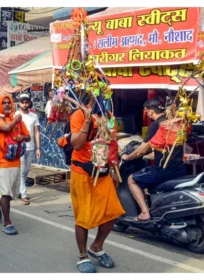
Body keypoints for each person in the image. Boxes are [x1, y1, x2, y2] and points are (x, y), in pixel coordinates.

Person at [69, 96, 125, 273]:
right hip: (82, 172)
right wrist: (87, 119)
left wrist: (114, 170)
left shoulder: (108, 116)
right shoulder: (78, 115)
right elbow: (76, 145)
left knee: (112, 211)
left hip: (102, 172)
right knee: (84, 217)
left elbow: (113, 143)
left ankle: (97, 246)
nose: (102, 96)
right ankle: (82, 255)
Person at [122, 98, 186, 222]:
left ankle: (145, 212)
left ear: (150, 112)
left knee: (132, 180)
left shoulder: (158, 125)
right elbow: (158, 144)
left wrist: (127, 157)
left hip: (164, 169)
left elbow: (142, 149)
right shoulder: (173, 122)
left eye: (146, 112)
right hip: (179, 168)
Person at [0, 95, 30, 235]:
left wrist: (22, 137)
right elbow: (6, 128)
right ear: (0, 104)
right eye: (4, 103)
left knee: (11, 194)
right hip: (1, 162)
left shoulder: (17, 120)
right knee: (6, 194)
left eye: (9, 103)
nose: (7, 105)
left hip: (15, 161)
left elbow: (28, 136)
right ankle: (7, 223)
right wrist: (16, 120)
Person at [15, 92, 41, 205]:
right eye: (22, 102)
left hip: (30, 148)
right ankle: (23, 194)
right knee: (21, 171)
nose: (25, 104)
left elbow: (36, 132)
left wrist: (38, 148)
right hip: (19, 147)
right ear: (19, 103)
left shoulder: (34, 116)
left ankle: (18, 190)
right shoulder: (15, 115)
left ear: (29, 103)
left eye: (26, 102)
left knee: (25, 171)